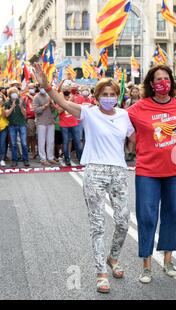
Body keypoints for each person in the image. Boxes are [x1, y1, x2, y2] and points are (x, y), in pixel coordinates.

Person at [34, 63, 135, 294]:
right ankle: (101, 273)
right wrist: (47, 86)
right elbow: (63, 103)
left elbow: (135, 138)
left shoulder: (124, 115)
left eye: (112, 95)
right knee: (98, 225)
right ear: (97, 97)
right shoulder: (88, 112)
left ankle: (113, 257)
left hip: (118, 171)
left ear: (116, 97)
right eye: (104, 95)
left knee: (122, 220)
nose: (109, 98)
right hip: (95, 172)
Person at [127, 65, 176, 284]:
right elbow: (115, 124)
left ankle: (168, 260)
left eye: (166, 78)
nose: (162, 82)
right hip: (147, 172)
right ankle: (146, 265)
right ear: (151, 83)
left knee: (173, 213)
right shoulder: (137, 108)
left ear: (171, 81)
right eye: (158, 79)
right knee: (147, 216)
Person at [56, 85, 83, 166]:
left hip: (74, 123)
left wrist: (71, 101)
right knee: (65, 142)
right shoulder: (60, 100)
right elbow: (59, 111)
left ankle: (80, 158)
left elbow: (79, 109)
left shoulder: (74, 98)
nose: (67, 92)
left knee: (78, 142)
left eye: (68, 90)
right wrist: (66, 103)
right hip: (64, 125)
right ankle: (67, 158)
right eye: (65, 91)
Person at [4, 87, 29, 167]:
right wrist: (12, 107)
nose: (14, 94)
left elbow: (25, 114)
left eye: (15, 92)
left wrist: (21, 106)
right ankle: (14, 160)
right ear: (10, 95)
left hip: (22, 124)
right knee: (13, 144)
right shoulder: (7, 103)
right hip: (12, 125)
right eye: (12, 93)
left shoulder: (21, 101)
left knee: (24, 143)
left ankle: (26, 160)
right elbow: (6, 114)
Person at [33, 86, 57, 166]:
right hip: (41, 122)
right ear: (39, 88)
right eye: (41, 87)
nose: (43, 88)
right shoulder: (36, 97)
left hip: (50, 121)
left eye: (44, 87)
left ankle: (50, 158)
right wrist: (45, 106)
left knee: (51, 141)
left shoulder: (49, 95)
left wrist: (52, 105)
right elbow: (36, 110)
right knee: (42, 141)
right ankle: (43, 159)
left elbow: (53, 110)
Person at [23, 83, 38, 160]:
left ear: (35, 88)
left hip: (39, 119)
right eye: (29, 88)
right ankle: (32, 153)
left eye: (32, 88)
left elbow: (36, 101)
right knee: (30, 136)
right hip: (30, 119)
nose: (31, 89)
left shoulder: (37, 95)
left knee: (37, 137)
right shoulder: (25, 98)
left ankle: (36, 152)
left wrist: (30, 96)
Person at [0, 93, 8, 167]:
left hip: (3, 127)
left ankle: (2, 159)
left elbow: (5, 116)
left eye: (0, 97)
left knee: (2, 144)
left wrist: (2, 107)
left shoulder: (4, 106)